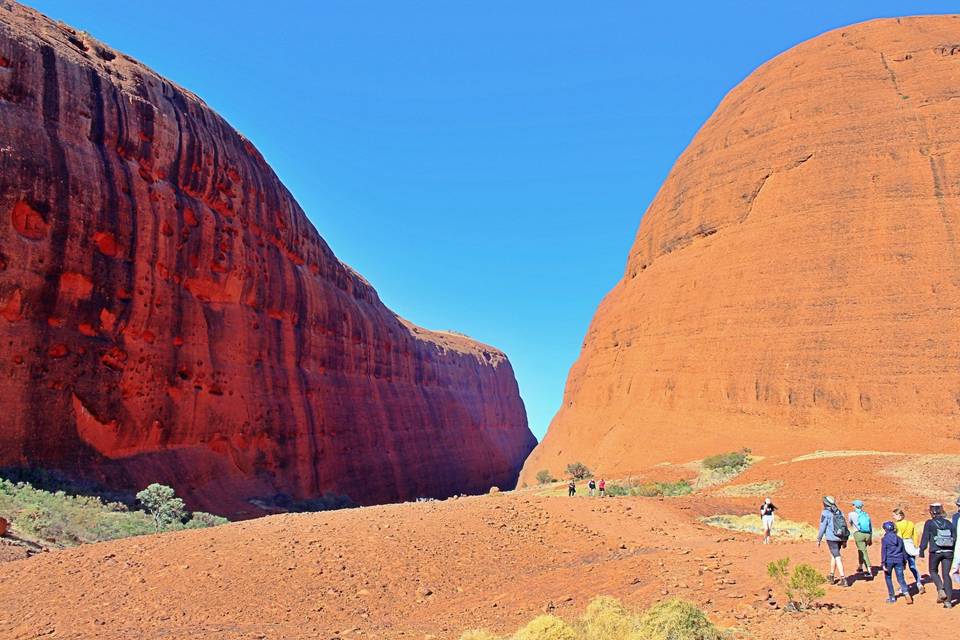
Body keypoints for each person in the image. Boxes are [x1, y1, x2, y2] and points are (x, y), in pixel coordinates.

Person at [919, 503, 956, 608]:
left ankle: (940, 589)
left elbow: (925, 538)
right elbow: (954, 537)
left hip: (935, 552)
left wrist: (922, 550)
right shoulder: (948, 523)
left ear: (931, 512)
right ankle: (948, 602)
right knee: (946, 574)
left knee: (933, 571)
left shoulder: (929, 523)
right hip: (949, 552)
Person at [817, 495, 849, 586]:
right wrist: (845, 540)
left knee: (837, 556)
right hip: (840, 537)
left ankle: (843, 578)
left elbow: (822, 526)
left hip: (831, 538)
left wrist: (819, 538)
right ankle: (831, 575)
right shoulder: (839, 512)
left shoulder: (825, 513)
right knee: (834, 555)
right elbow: (844, 526)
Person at [880, 521, 913, 604]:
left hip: (889, 561)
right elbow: (904, 552)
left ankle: (892, 597)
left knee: (888, 578)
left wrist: (883, 563)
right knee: (901, 578)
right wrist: (904, 562)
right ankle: (906, 593)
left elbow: (884, 552)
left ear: (885, 529)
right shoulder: (899, 539)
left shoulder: (885, 539)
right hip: (899, 560)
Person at [893, 507, 924, 594]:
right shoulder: (910, 523)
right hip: (910, 544)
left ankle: (903, 587)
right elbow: (915, 535)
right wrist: (915, 545)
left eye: (894, 515)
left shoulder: (897, 525)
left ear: (899, 515)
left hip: (902, 546)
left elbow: (898, 537)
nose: (893, 517)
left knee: (901, 567)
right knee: (913, 566)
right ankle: (919, 583)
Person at [848, 499, 874, 578]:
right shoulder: (866, 514)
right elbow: (870, 527)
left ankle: (869, 571)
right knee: (861, 550)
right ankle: (860, 566)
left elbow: (850, 523)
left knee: (863, 551)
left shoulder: (852, 514)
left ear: (855, 506)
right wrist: (870, 538)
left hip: (859, 534)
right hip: (868, 535)